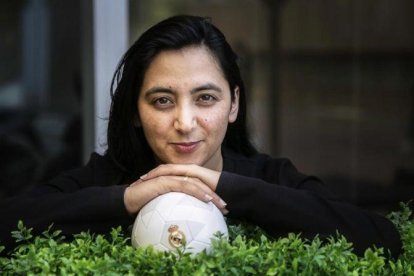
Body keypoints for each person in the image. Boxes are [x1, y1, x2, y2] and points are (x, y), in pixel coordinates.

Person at [0, 15, 402, 258]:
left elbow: (381, 238)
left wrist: (230, 188)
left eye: (205, 98)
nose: (185, 122)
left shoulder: (269, 177)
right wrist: (123, 199)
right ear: (135, 113)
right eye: (161, 101)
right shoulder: (108, 176)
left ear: (233, 104)